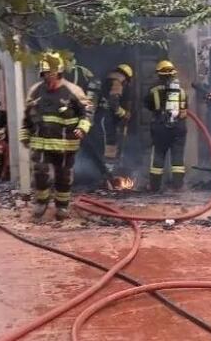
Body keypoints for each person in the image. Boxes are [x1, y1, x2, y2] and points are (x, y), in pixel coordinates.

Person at [19, 51, 92, 220]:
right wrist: (25, 134)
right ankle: (41, 202)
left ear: (59, 73)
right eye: (45, 75)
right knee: (40, 173)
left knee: (63, 176)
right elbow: (27, 115)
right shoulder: (35, 91)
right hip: (40, 143)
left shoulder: (73, 91)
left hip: (65, 144)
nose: (48, 79)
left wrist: (82, 128)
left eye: (51, 75)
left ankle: (62, 207)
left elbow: (87, 112)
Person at [144, 60, 188, 192]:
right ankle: (178, 186)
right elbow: (185, 110)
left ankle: (155, 186)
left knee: (158, 155)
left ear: (160, 74)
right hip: (179, 128)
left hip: (160, 127)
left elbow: (148, 105)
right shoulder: (181, 91)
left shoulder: (153, 90)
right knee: (178, 157)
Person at [96, 63, 134, 175]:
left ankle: (108, 168)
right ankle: (109, 170)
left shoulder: (108, 79)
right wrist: (123, 113)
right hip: (108, 117)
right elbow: (113, 102)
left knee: (108, 142)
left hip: (103, 116)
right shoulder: (118, 82)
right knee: (110, 142)